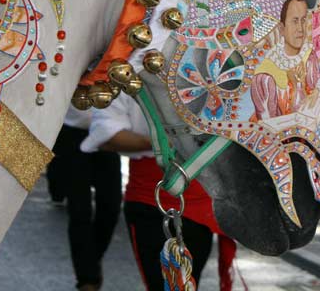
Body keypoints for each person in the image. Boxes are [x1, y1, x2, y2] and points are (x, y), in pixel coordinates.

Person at [82, 94, 236, 291]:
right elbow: (107, 135)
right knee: (164, 285)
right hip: (151, 198)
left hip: (202, 199)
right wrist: (167, 142)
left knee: (189, 281)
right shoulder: (124, 68)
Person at [47, 106, 122, 291]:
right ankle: (87, 279)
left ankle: (90, 262)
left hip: (107, 132)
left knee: (111, 206)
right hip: (72, 134)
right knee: (79, 209)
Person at [250, 0, 320, 120]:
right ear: (282, 28)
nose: (300, 28)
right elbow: (268, 124)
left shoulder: (309, 56)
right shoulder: (265, 77)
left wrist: (317, 91)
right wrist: (296, 86)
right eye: (295, 21)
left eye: (304, 20)